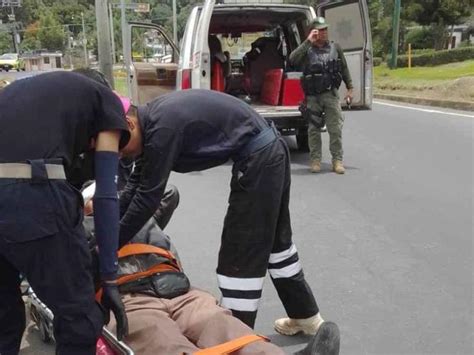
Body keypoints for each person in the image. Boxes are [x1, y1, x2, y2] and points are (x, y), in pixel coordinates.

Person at [116, 89, 328, 335]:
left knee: (239, 258)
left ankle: (234, 340)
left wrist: (111, 245)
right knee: (278, 247)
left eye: (118, 145)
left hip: (259, 160)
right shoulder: (152, 121)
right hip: (268, 153)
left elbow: (147, 197)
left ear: (129, 124)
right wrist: (108, 224)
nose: (119, 153)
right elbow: (135, 184)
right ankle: (305, 315)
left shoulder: (161, 129)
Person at [83, 184, 340, 355]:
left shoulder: (140, 218)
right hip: (127, 298)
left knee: (222, 325)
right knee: (161, 338)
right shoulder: (77, 231)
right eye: (96, 197)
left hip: (180, 290)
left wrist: (125, 197)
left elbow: (169, 192)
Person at [0, 71, 130, 355]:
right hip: (31, 196)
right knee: (79, 320)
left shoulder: (19, 93)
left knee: (5, 320)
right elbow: (107, 194)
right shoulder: (105, 101)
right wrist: (109, 278)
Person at [289, 17, 353, 174]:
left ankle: (337, 160)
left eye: (325, 29)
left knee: (335, 129)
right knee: (313, 130)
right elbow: (292, 60)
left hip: (330, 94)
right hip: (312, 97)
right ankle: (315, 160)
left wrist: (350, 88)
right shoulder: (307, 49)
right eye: (320, 30)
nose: (323, 33)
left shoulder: (335, 47)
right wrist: (308, 41)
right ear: (313, 31)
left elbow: (344, 69)